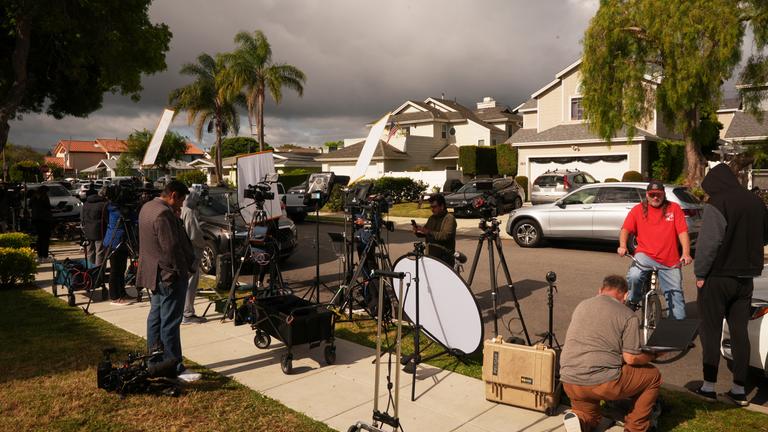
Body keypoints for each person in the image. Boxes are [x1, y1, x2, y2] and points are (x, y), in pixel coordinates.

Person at [692, 164, 768, 406]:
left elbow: (708, 244)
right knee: (739, 333)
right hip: (745, 279)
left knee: (711, 330)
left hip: (717, 277)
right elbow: (765, 236)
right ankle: (739, 390)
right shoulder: (757, 203)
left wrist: (700, 273)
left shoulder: (718, 203)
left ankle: (709, 386)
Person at [560, 275, 662, 432]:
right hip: (601, 382)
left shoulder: (582, 305)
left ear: (600, 290)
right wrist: (653, 355)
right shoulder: (627, 315)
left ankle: (581, 420)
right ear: (626, 295)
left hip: (569, 380)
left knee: (590, 416)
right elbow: (631, 358)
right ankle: (636, 427)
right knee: (653, 376)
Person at [136, 180, 199, 382]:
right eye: (180, 201)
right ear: (172, 195)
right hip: (168, 276)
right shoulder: (163, 214)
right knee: (170, 322)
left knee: (156, 317)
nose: (181, 206)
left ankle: (155, 362)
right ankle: (174, 366)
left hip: (154, 274)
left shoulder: (147, 207)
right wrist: (183, 272)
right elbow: (171, 248)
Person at [617, 180, 692, 320]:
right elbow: (625, 229)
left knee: (676, 298)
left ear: (663, 194)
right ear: (647, 195)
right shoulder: (638, 210)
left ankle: (678, 332)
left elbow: (682, 232)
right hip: (644, 255)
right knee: (634, 275)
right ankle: (633, 300)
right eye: (652, 195)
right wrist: (622, 245)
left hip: (670, 260)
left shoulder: (674, 209)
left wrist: (686, 253)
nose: (655, 198)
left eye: (658, 194)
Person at [103, 189, 137, 306]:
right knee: (115, 270)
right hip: (115, 241)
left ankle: (122, 293)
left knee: (121, 269)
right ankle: (114, 296)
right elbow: (133, 220)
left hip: (121, 241)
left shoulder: (112, 207)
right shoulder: (115, 209)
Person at [180, 188, 207, 324]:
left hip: (183, 251)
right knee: (191, 282)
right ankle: (187, 313)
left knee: (185, 282)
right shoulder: (188, 212)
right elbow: (194, 235)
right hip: (191, 252)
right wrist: (203, 243)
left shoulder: (181, 210)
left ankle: (184, 311)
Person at [413, 194, 457, 267]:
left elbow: (445, 236)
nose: (432, 209)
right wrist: (418, 232)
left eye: (434, 207)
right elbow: (427, 232)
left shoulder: (449, 218)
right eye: (431, 207)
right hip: (430, 256)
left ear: (442, 206)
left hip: (444, 259)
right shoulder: (432, 218)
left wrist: (427, 231)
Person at [81, 188, 107, 267]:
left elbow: (82, 218)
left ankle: (90, 272)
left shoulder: (85, 204)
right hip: (100, 231)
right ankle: (99, 272)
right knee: (100, 252)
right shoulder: (103, 204)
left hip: (88, 231)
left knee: (90, 252)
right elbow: (106, 218)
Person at [29, 185, 52, 262]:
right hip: (45, 220)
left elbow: (30, 206)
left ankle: (40, 256)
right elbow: (48, 207)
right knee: (45, 238)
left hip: (36, 219)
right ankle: (45, 256)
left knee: (39, 238)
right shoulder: (44, 197)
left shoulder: (33, 198)